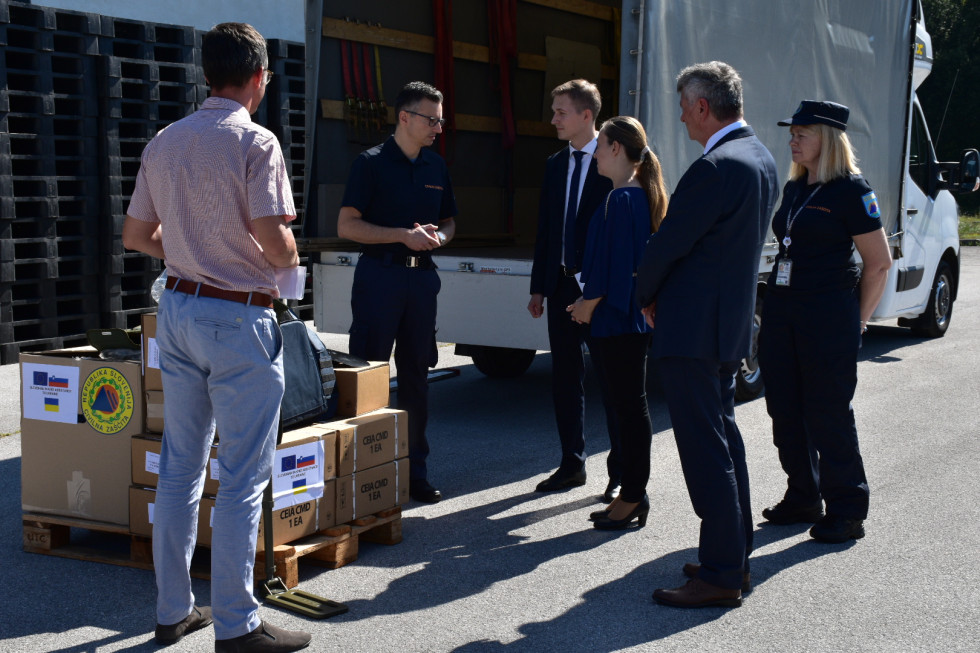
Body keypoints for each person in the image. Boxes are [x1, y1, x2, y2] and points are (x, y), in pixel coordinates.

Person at [122, 23, 312, 652]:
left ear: (208, 73)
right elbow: (273, 236)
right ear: (259, 78)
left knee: (179, 468)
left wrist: (185, 250)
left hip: (177, 308)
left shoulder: (166, 140)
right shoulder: (255, 142)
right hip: (238, 315)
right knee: (243, 475)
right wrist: (288, 261)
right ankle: (237, 624)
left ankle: (173, 610)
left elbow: (136, 235)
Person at [636, 61, 778, 608]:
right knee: (725, 443)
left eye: (683, 106)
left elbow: (668, 244)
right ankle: (732, 555)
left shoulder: (716, 166)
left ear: (702, 106)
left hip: (693, 330)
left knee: (706, 453)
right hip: (725, 328)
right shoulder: (760, 157)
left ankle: (720, 575)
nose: (679, 116)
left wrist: (643, 293)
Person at [758, 100, 891, 543]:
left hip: (827, 314)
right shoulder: (797, 187)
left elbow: (878, 263)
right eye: (791, 134)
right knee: (783, 408)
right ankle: (803, 496)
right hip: (784, 311)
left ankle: (847, 509)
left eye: (802, 134)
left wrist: (858, 321)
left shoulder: (852, 190)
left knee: (828, 413)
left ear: (828, 139)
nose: (792, 141)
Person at [337, 81, 457, 504]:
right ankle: (359, 474)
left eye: (440, 119)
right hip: (380, 279)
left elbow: (450, 222)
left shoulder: (435, 167)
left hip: (421, 280)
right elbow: (347, 225)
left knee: (416, 380)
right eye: (431, 118)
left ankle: (413, 473)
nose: (438, 127)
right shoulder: (369, 164)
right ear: (404, 117)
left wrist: (437, 237)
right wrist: (401, 236)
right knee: (368, 377)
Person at [567, 116, 667, 530]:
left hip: (617, 318)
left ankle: (633, 495)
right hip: (616, 316)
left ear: (615, 149)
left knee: (629, 407)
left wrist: (589, 303)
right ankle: (629, 493)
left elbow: (623, 266)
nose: (594, 153)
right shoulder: (627, 195)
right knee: (625, 406)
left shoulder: (624, 199)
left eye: (600, 144)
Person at [528, 79, 622, 502]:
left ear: (587, 115)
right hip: (563, 285)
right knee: (565, 377)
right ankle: (572, 463)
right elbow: (547, 230)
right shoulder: (552, 164)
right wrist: (539, 288)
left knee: (612, 379)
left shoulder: (617, 158)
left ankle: (621, 471)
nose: (553, 120)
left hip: (601, 288)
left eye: (561, 112)